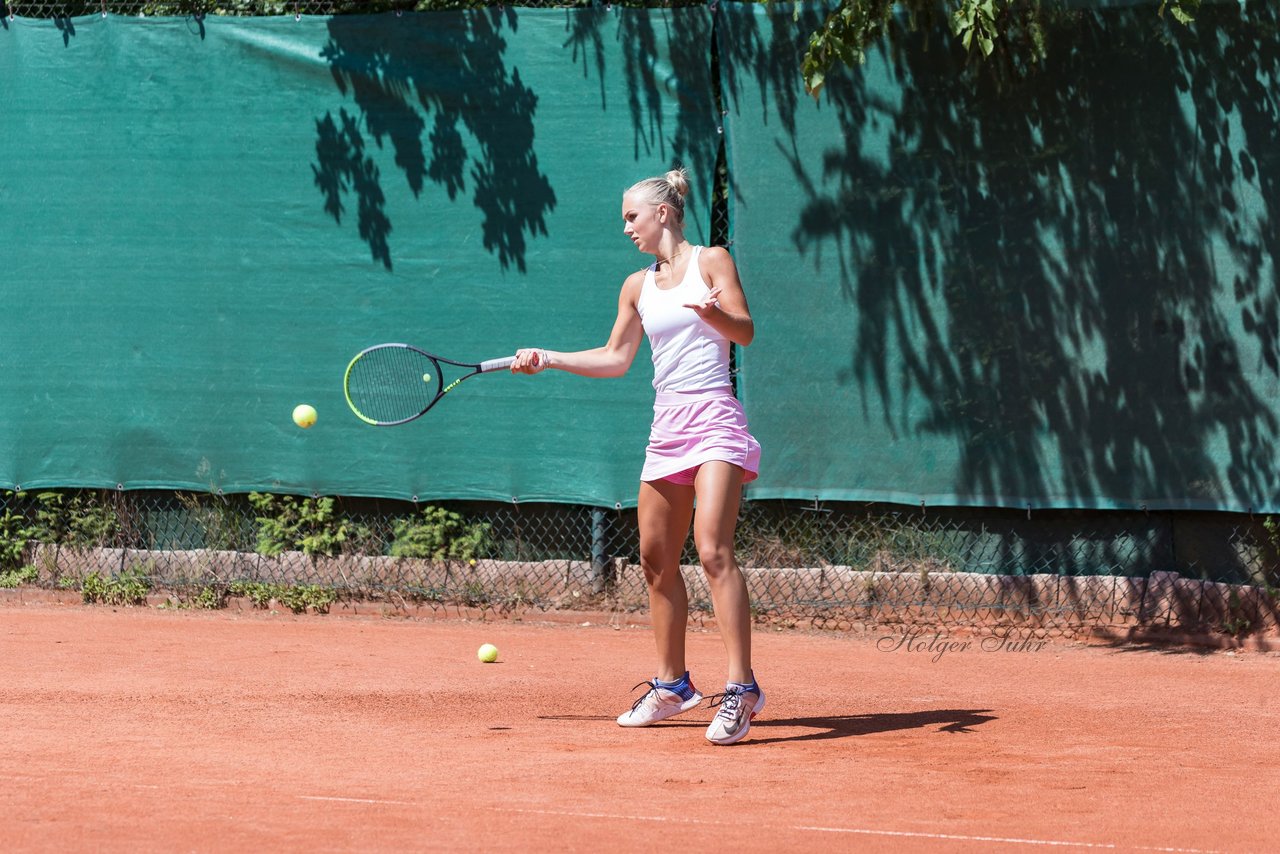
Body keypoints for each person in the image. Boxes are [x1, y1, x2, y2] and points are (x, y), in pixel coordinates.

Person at [510, 167, 763, 746]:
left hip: (715, 417)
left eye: (632, 216)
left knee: (714, 550)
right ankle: (673, 685)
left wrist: (709, 312)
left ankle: (741, 689)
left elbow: (744, 332)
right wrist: (549, 357)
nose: (626, 227)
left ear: (664, 213)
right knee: (654, 559)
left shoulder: (712, 261)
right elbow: (615, 357)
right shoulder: (635, 285)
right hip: (667, 425)